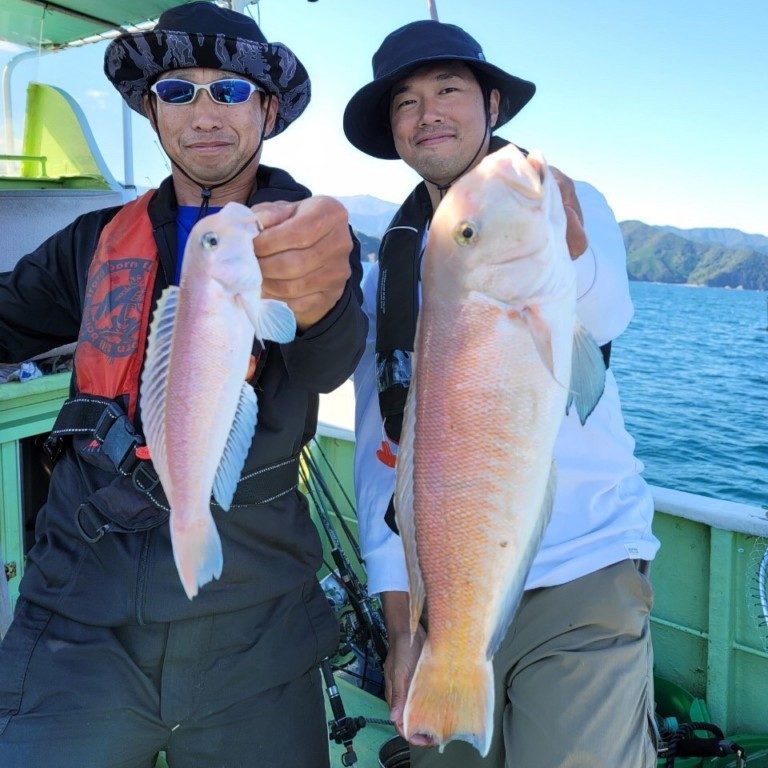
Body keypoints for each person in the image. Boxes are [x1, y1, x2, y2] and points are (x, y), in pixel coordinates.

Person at [0, 3, 367, 767]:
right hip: (79, 618)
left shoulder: (309, 241)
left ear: (267, 111)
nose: (204, 114)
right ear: (151, 108)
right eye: (177, 91)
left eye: (230, 91)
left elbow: (331, 364)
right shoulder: (90, 243)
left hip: (257, 626)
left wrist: (324, 296)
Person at [345, 19, 660, 768]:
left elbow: (604, 316)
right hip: (446, 597)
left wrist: (565, 246)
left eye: (448, 90)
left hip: (583, 571)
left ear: (492, 104)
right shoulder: (385, 275)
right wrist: (403, 626)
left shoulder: (564, 208)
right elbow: (383, 453)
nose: (428, 113)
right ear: (394, 133)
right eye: (405, 102)